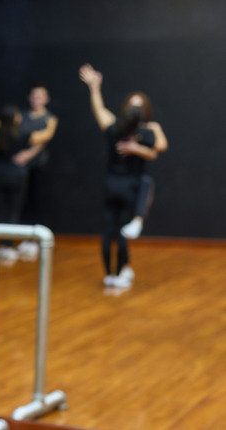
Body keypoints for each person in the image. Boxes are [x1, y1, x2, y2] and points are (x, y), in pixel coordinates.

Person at [79, 63, 168, 288]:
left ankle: (115, 273)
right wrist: (94, 88)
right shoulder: (137, 132)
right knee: (117, 230)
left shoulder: (124, 129)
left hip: (115, 184)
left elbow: (159, 147)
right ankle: (115, 273)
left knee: (114, 230)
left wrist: (94, 87)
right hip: (126, 186)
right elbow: (159, 147)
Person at [0, 105, 35, 262]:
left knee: (1, 211)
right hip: (17, 175)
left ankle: (3, 246)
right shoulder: (23, 133)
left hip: (0, 175)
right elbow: (39, 140)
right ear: (15, 118)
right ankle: (9, 246)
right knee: (13, 211)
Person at [16, 83, 59, 260]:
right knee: (22, 201)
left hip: (38, 165)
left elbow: (44, 138)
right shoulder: (22, 116)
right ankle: (24, 238)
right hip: (20, 165)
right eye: (34, 96)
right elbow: (15, 133)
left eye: (40, 97)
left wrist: (28, 153)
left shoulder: (50, 118)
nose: (37, 100)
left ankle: (35, 240)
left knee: (36, 201)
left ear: (46, 99)